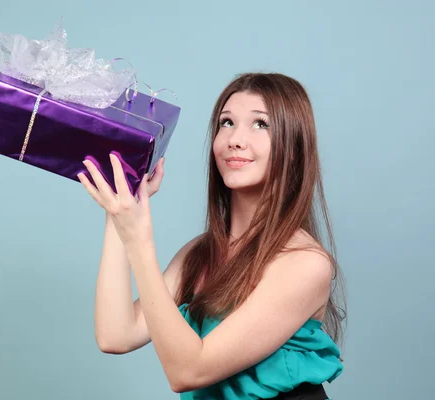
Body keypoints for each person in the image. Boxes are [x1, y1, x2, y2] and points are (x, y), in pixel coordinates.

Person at [77, 72, 346, 400]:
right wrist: (119, 208)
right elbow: (115, 335)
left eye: (261, 124)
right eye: (226, 123)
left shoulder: (305, 263)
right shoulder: (199, 253)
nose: (235, 139)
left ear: (293, 149)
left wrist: (139, 241)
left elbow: (188, 371)